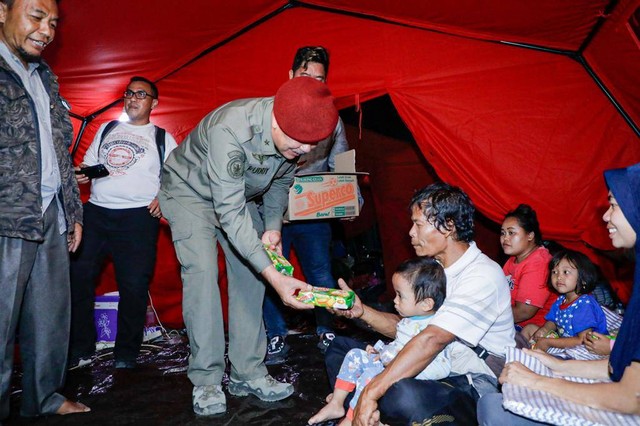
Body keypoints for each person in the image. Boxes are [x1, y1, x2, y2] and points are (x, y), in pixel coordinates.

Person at [158, 76, 339, 416]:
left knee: (250, 278)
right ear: (275, 120)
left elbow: (281, 181)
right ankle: (207, 378)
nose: (303, 151)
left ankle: (247, 372)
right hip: (189, 194)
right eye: (298, 145)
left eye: (310, 147)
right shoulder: (231, 128)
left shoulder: (294, 137)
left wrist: (272, 229)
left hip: (239, 198)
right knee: (203, 274)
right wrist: (276, 276)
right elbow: (229, 213)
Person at [325, 182, 515, 425]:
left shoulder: (482, 274)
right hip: (432, 361)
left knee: (400, 394)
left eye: (418, 224)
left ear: (448, 226)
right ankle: (366, 412)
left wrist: (371, 391)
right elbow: (411, 328)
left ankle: (364, 408)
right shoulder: (433, 269)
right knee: (340, 348)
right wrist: (361, 312)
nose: (411, 233)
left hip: (470, 379)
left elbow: (432, 339)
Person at [477, 162, 640, 424]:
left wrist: (539, 380)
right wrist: (556, 365)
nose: (606, 216)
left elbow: (632, 397)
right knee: (494, 400)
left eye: (614, 205)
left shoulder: (544, 267)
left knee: (493, 409)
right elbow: (620, 368)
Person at [0, 0, 89, 419]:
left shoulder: (44, 76)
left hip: (50, 210)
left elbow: (59, 151)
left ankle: (46, 397)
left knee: (50, 316)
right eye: (36, 16)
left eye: (53, 22)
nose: (47, 30)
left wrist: (72, 211)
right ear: (2, 11)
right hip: (7, 214)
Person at [69, 76, 178, 369]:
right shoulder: (108, 128)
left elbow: (176, 178)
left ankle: (126, 353)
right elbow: (92, 165)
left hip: (137, 218)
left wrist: (163, 198)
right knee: (78, 276)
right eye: (129, 93)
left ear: (153, 103)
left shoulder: (162, 137)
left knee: (133, 284)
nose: (133, 99)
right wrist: (84, 173)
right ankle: (81, 346)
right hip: (97, 213)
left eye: (141, 94)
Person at [263, 45, 351, 364]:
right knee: (272, 273)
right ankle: (275, 335)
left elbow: (340, 163)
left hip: (314, 209)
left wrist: (349, 197)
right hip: (272, 212)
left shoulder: (333, 118)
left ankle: (326, 329)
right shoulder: (271, 113)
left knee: (320, 270)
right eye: (305, 74)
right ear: (290, 75)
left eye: (320, 77)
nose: (312, 82)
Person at [309, 257, 457, 425]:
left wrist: (397, 360)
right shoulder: (410, 320)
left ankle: (352, 417)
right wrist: (381, 351)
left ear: (425, 304)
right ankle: (336, 403)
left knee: (370, 376)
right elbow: (397, 343)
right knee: (353, 355)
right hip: (389, 366)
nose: (394, 300)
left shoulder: (437, 328)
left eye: (400, 296)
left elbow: (442, 368)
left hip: (410, 380)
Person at [529, 249, 608, 352]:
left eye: (565, 272)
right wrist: (544, 330)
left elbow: (583, 340)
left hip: (586, 348)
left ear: (583, 278)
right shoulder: (561, 300)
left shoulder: (584, 304)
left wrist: (547, 342)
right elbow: (553, 321)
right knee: (529, 329)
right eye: (554, 272)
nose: (559, 277)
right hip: (565, 341)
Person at [500, 204, 554, 340]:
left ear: (530, 236)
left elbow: (524, 312)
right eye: (503, 233)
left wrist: (486, 317)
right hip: (510, 321)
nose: (505, 238)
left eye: (511, 233)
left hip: (529, 329)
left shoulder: (539, 262)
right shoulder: (513, 259)